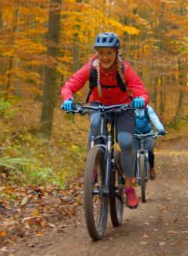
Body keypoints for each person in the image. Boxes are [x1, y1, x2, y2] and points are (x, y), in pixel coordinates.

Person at [61, 32, 150, 209]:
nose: (105, 57)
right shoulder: (91, 68)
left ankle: (129, 187)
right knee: (95, 125)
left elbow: (141, 90)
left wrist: (140, 100)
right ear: (97, 53)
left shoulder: (124, 69)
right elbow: (70, 85)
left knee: (125, 142)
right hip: (98, 105)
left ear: (116, 53)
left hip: (123, 108)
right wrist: (67, 99)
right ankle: (93, 167)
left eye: (109, 53)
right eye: (101, 53)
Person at [134, 103, 166, 180]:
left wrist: (161, 129)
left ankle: (151, 168)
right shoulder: (130, 109)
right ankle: (133, 176)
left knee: (149, 151)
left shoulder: (148, 109)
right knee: (133, 153)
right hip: (134, 135)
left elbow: (154, 119)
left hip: (147, 134)